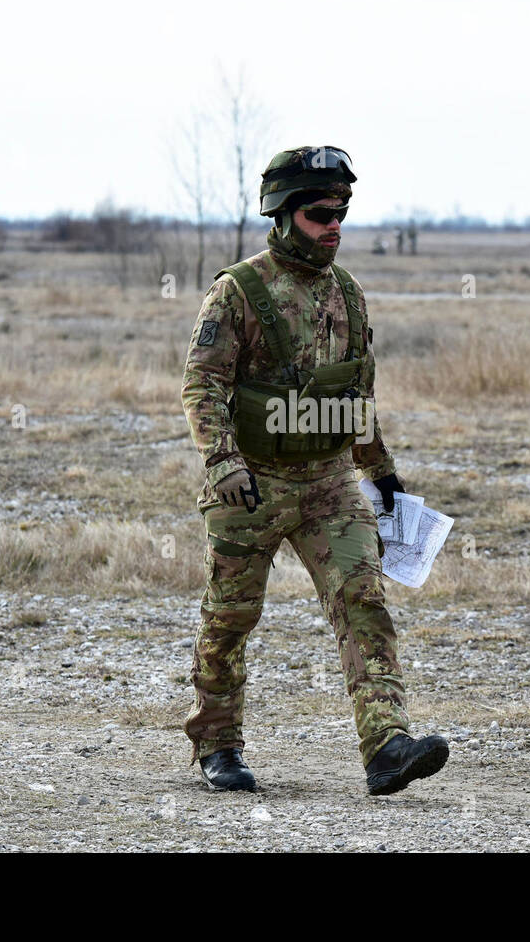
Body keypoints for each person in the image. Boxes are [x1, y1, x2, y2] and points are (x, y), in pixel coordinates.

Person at [180, 145, 449, 796]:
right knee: (230, 617)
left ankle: (386, 744)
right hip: (252, 485)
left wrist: (381, 474)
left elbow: (354, 397)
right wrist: (223, 464)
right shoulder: (237, 292)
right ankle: (217, 745)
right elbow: (202, 384)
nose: (335, 225)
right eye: (321, 213)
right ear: (283, 213)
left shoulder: (348, 296)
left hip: (329, 483)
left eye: (343, 212)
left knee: (363, 603)